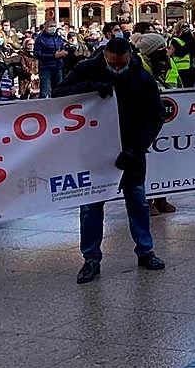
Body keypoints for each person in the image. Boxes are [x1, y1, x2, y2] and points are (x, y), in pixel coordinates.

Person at [55, 37, 166, 284]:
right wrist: (90, 87)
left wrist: (137, 149)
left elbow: (155, 116)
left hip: (130, 150)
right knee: (91, 206)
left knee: (137, 201)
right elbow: (59, 93)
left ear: (129, 57)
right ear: (104, 56)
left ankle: (145, 251)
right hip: (94, 150)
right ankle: (91, 257)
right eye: (112, 65)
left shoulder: (141, 76)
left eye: (121, 65)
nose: (117, 69)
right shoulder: (87, 68)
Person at [33, 19, 70, 97]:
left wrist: (64, 53)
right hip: (46, 68)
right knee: (45, 91)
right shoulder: (40, 39)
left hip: (58, 67)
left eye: (54, 26)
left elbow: (62, 48)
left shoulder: (59, 38)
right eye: (50, 26)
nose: (52, 28)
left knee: (59, 90)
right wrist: (53, 56)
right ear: (45, 27)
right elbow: (37, 54)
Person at [169, 22, 195, 88]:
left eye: (187, 26)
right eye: (183, 27)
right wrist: (187, 39)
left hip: (194, 67)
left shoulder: (191, 38)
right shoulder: (174, 40)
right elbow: (180, 53)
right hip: (182, 68)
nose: (186, 28)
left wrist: (192, 38)